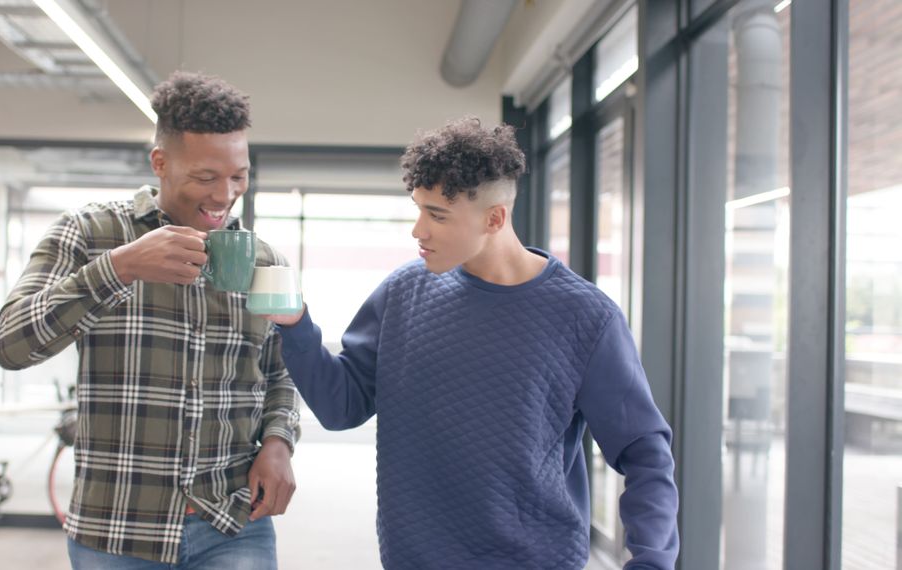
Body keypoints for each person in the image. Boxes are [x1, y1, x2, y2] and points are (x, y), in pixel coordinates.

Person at [262, 117, 679, 569]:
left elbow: (646, 455)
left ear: (495, 218)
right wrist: (296, 323)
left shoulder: (586, 318)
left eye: (437, 214)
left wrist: (652, 561)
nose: (418, 230)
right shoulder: (403, 293)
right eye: (419, 209)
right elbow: (342, 407)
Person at [0, 71, 300, 569]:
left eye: (238, 175)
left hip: (233, 524)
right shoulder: (90, 233)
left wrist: (278, 441)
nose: (225, 195)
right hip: (115, 527)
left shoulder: (264, 261)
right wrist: (118, 269)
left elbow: (281, 372)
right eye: (205, 176)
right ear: (160, 162)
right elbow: (10, 345)